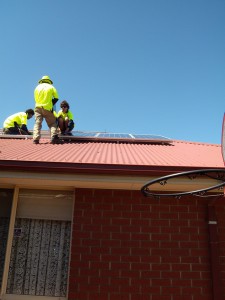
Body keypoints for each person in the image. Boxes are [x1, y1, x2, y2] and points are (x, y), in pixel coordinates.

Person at [33, 75, 62, 144]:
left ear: (42, 80)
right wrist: (51, 104)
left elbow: (35, 98)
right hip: (48, 108)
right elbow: (56, 97)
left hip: (38, 107)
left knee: (37, 123)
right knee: (52, 123)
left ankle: (36, 139)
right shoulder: (51, 87)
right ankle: (54, 137)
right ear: (49, 81)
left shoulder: (37, 88)